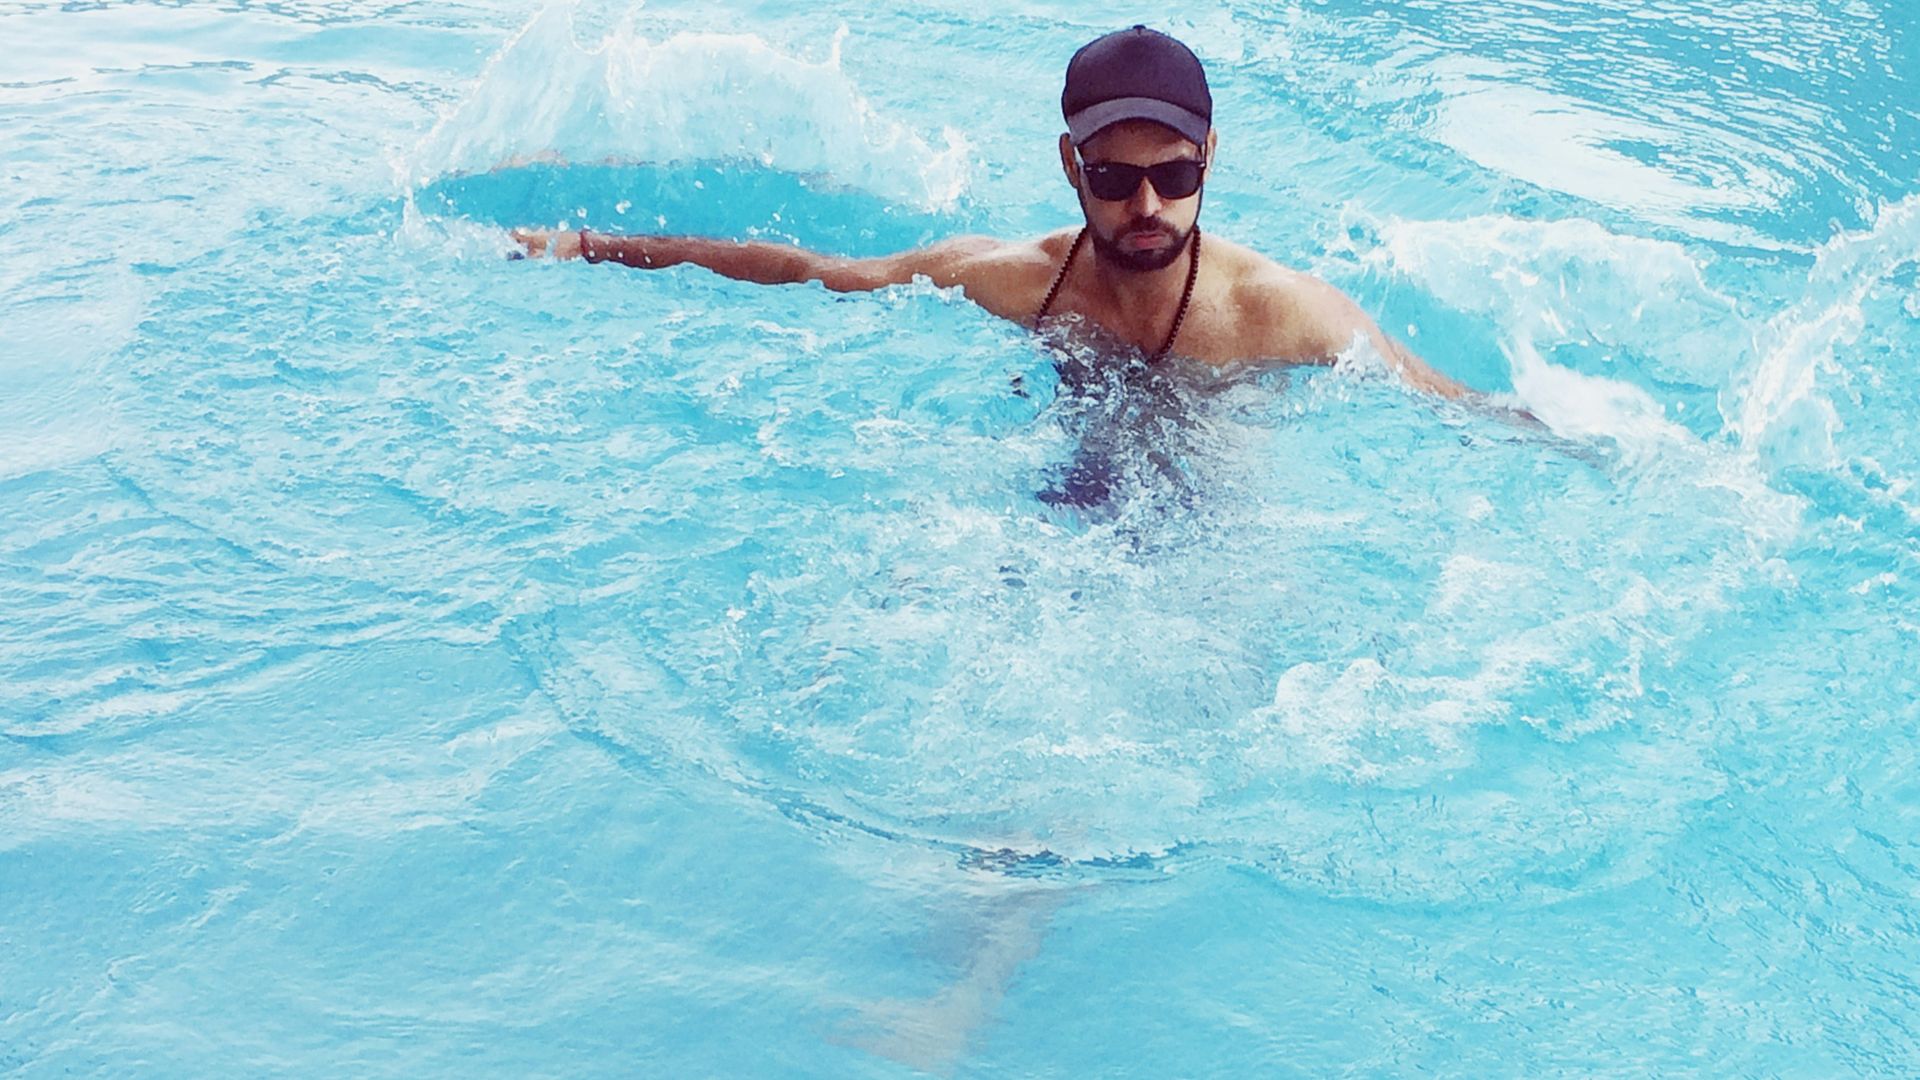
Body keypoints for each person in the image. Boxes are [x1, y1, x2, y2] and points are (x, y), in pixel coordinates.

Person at [512, 25, 1466, 399]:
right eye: (1112, 178)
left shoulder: (1283, 312)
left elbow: (1445, 399)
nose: (1146, 206)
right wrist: (594, 246)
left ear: (1211, 159)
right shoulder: (1012, 281)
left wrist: (1592, 440)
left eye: (1174, 178)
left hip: (1213, 500)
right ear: (1068, 165)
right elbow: (810, 272)